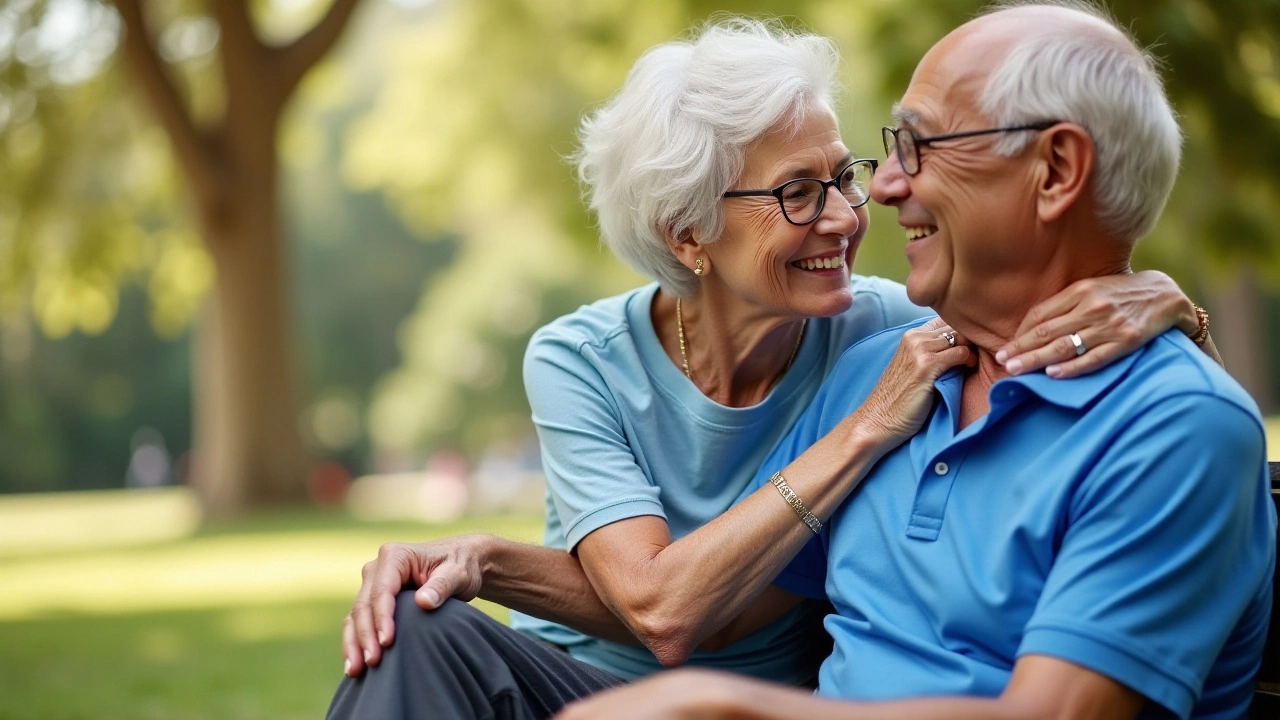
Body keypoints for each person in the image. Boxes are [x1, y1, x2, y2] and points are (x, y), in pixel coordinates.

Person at [327, 16, 1219, 720]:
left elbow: (1077, 315)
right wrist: (485, 558)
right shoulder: (593, 359)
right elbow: (666, 604)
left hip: (745, 704)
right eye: (799, 192)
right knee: (416, 633)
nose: (853, 212)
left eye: (851, 174)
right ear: (689, 235)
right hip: (600, 685)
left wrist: (1160, 297)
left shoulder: (888, 334)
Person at [556, 3, 1277, 720]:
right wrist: (485, 565)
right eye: (889, 149)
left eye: (920, 146)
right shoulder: (879, 372)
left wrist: (727, 708)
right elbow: (712, 610)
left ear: (1056, 170)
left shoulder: (1176, 426)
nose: (883, 190)